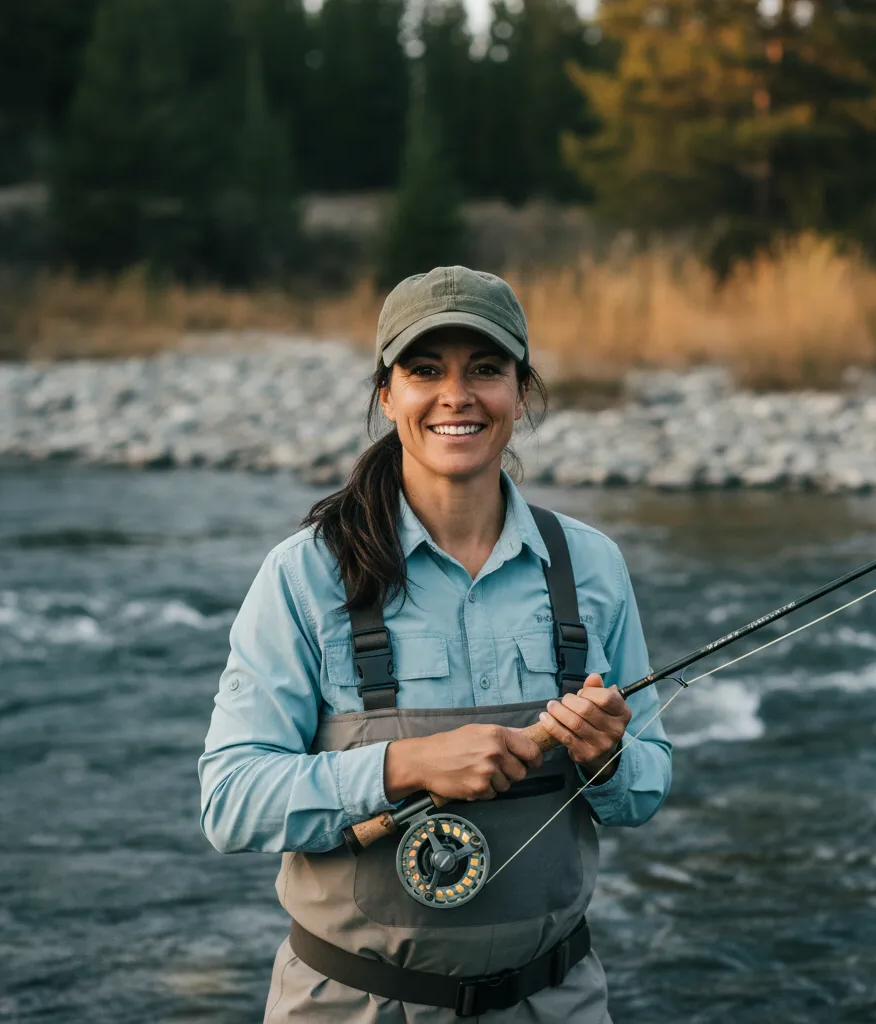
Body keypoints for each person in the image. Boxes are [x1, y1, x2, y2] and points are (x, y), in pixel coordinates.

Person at [198, 266, 672, 1022]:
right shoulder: (305, 574)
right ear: (388, 394)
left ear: (521, 391)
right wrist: (405, 765)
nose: (458, 395)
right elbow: (229, 800)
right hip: (348, 1006)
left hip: (556, 1001)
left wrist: (605, 756)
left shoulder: (592, 565)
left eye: (486, 369)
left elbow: (646, 787)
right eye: (426, 370)